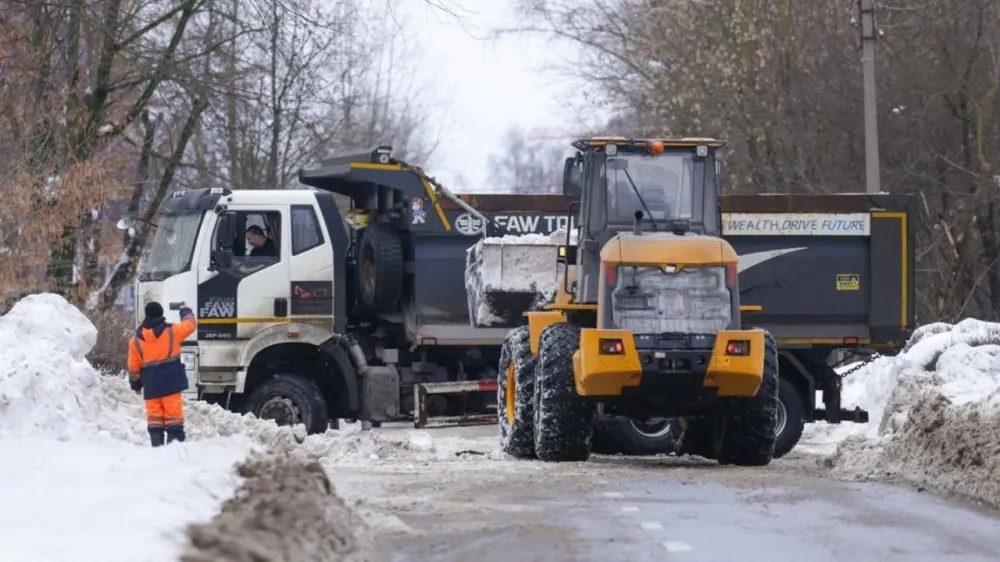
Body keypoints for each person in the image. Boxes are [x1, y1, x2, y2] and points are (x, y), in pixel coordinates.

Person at [127, 301, 197, 447]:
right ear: (161, 315)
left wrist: (136, 385)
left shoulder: (135, 341)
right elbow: (190, 325)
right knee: (174, 422)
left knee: (155, 423)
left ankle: (157, 456)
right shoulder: (172, 331)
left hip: (151, 387)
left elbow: (133, 367)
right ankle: (172, 456)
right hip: (171, 384)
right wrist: (184, 310)